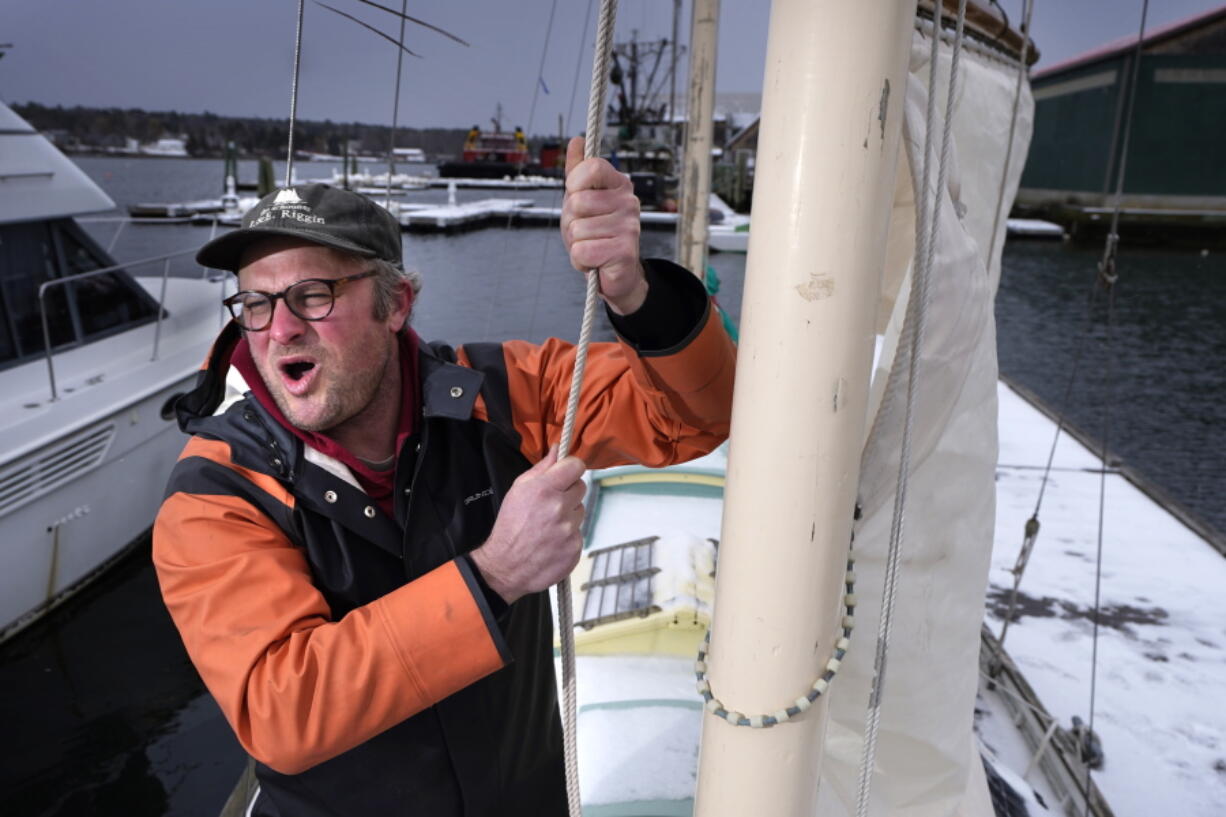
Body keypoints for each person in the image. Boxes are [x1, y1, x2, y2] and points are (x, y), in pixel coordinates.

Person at [152, 137, 735, 817]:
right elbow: (284, 708)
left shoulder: (503, 393)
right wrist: (493, 575)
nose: (279, 328)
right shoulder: (217, 493)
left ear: (395, 302)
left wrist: (634, 294)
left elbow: (695, 417)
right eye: (255, 303)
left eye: (312, 295)